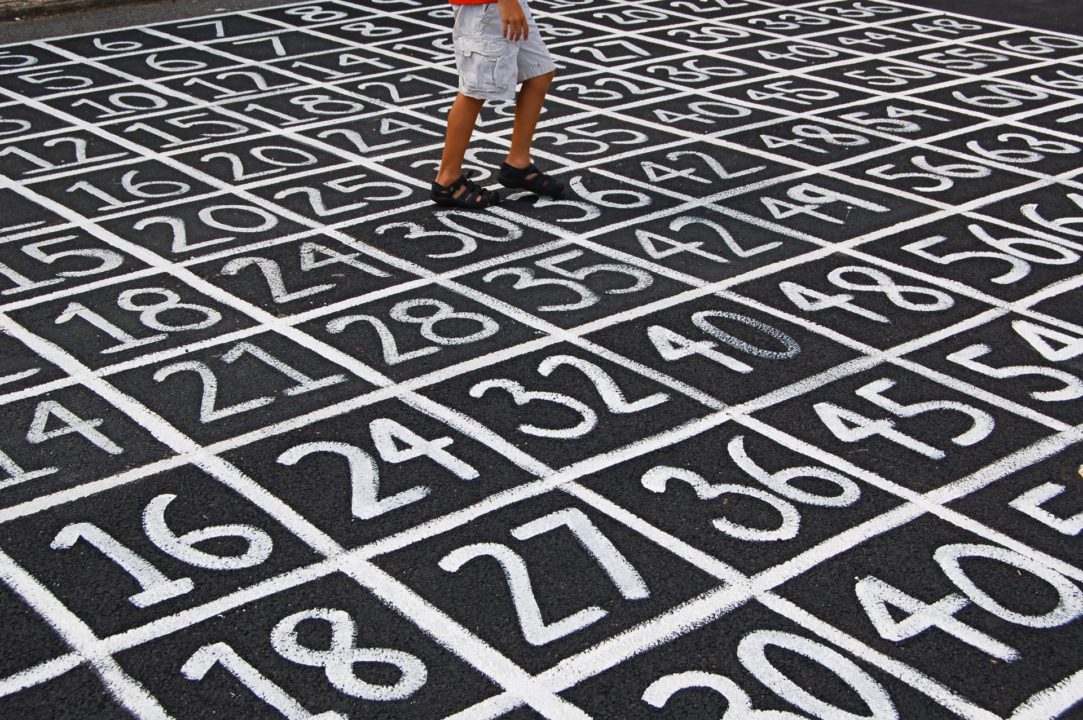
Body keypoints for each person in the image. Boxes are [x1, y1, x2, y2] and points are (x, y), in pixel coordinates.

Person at [431, 0, 565, 208]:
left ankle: (518, 163)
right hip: (486, 8)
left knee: (539, 73)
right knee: (475, 91)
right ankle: (447, 179)